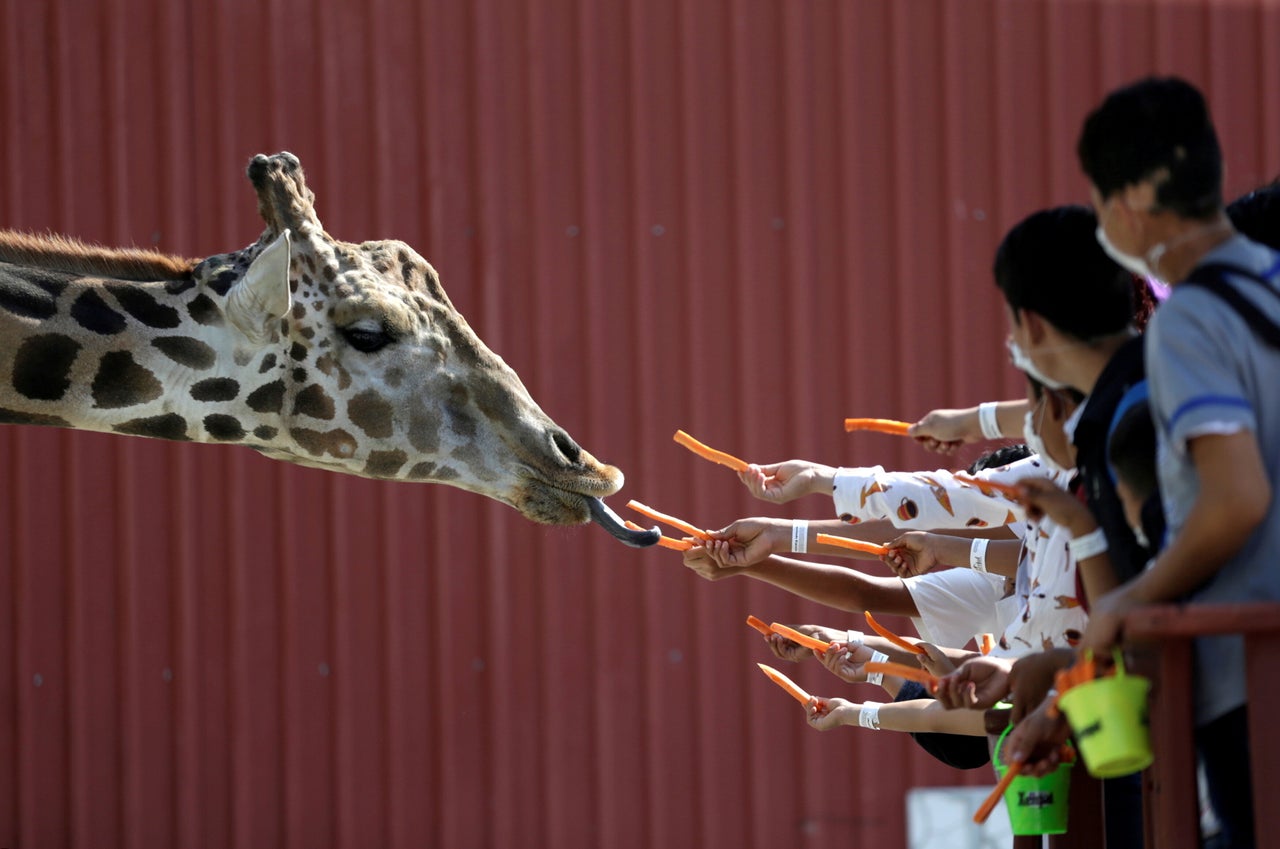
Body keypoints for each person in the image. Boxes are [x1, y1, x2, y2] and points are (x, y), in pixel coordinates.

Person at [1072, 74, 1280, 849]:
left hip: (1248, 683)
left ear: (1129, 203)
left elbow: (1233, 501)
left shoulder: (1190, 318)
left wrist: (1131, 603)